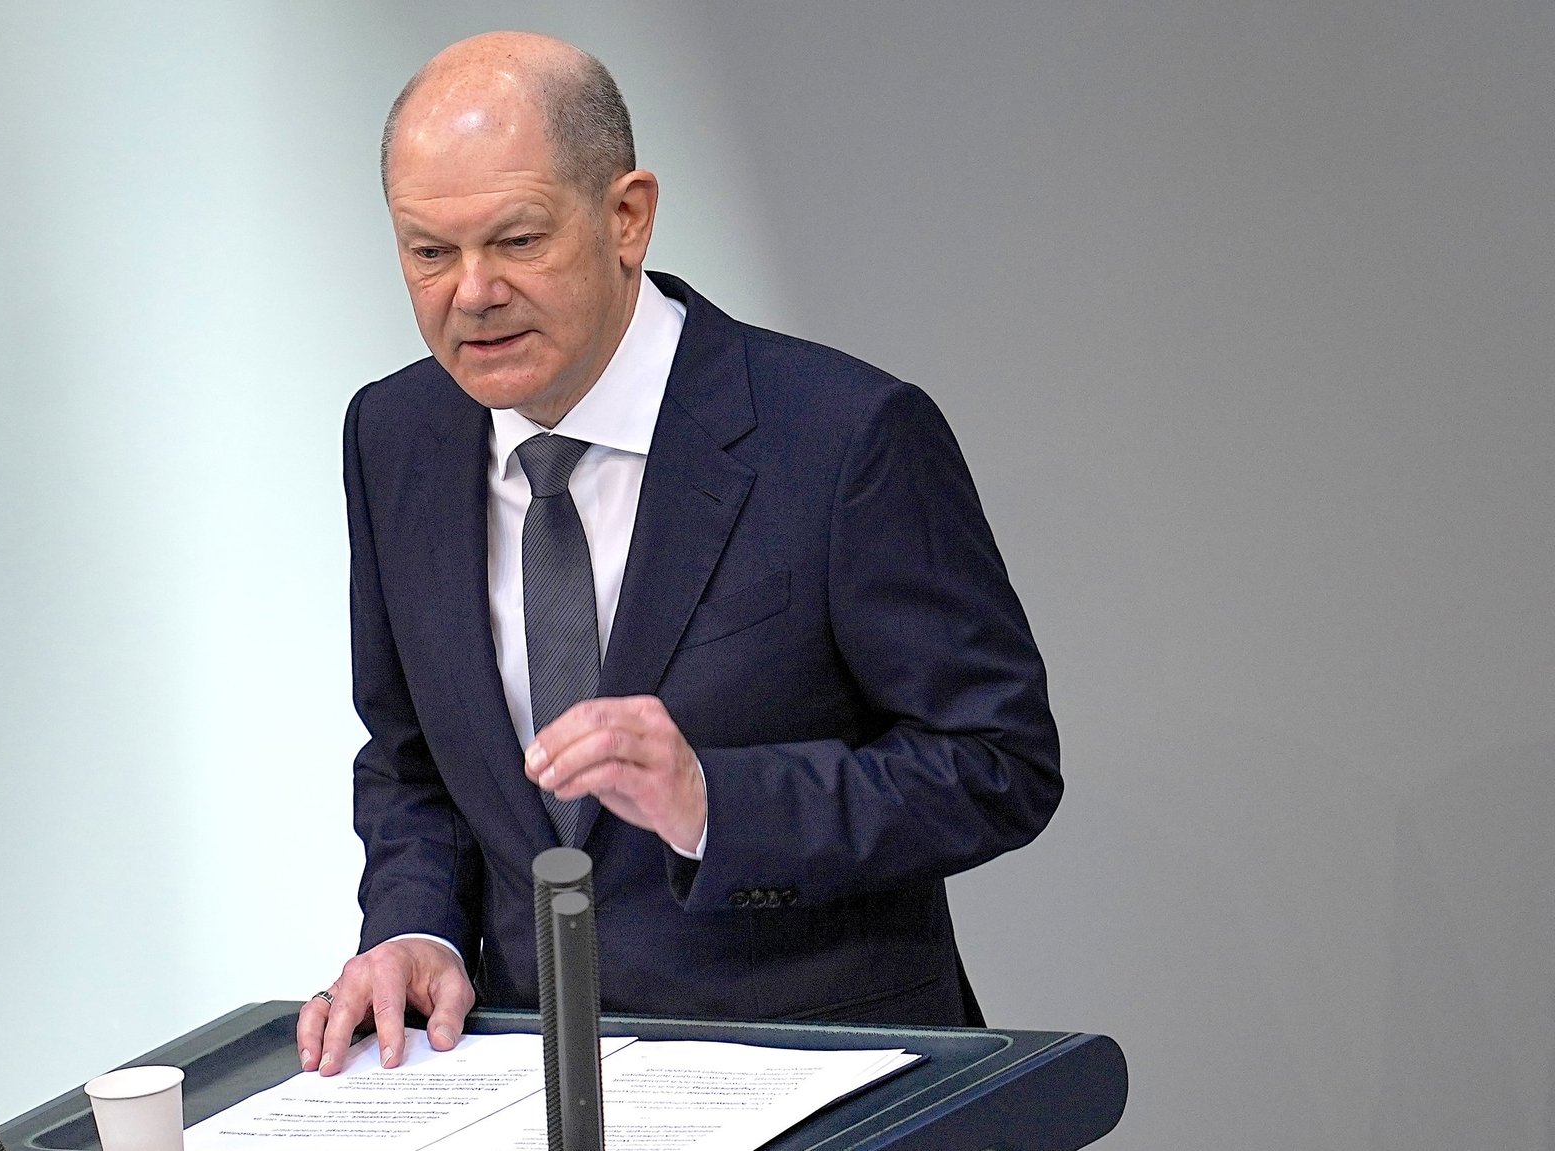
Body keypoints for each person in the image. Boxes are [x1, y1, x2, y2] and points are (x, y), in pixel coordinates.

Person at [297, 31, 1061, 1076]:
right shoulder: (394, 436)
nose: (469, 291)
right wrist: (412, 928)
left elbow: (995, 763)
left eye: (515, 240)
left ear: (626, 216)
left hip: (816, 1071)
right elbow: (410, 761)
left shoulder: (841, 435)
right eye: (429, 251)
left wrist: (715, 801)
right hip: (533, 1082)